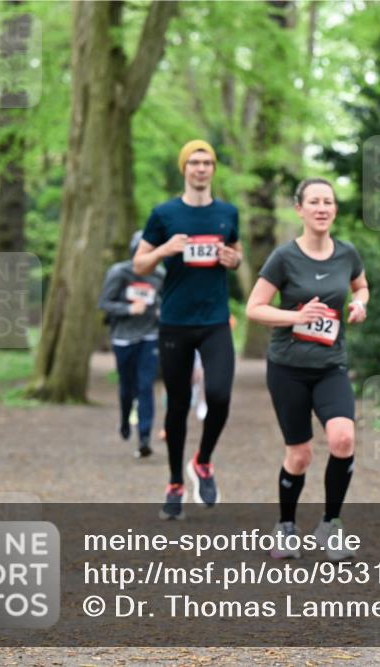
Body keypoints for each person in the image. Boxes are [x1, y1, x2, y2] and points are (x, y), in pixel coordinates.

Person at [246, 177, 368, 561]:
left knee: (343, 439)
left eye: (328, 202)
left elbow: (361, 286)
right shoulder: (284, 257)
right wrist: (295, 315)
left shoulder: (347, 253)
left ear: (334, 209)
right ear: (299, 209)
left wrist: (360, 303)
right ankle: (285, 527)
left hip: (331, 366)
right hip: (288, 368)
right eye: (313, 202)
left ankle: (330, 526)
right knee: (299, 456)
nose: (321, 208)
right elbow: (255, 308)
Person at [133, 140, 242, 520]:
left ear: (213, 169)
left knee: (220, 395)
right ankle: (174, 482)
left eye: (207, 162)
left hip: (214, 321)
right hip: (175, 321)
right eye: (194, 162)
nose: (201, 168)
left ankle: (204, 461)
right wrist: (164, 250)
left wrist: (234, 259)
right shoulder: (164, 214)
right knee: (177, 406)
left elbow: (236, 252)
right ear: (184, 168)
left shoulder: (228, 213)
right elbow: (139, 265)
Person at [98, 231, 165, 459]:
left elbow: (164, 300)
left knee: (146, 386)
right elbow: (104, 303)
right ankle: (125, 419)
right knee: (128, 387)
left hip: (150, 335)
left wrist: (160, 311)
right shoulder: (119, 272)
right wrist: (128, 309)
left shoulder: (159, 276)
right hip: (123, 337)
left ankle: (144, 437)